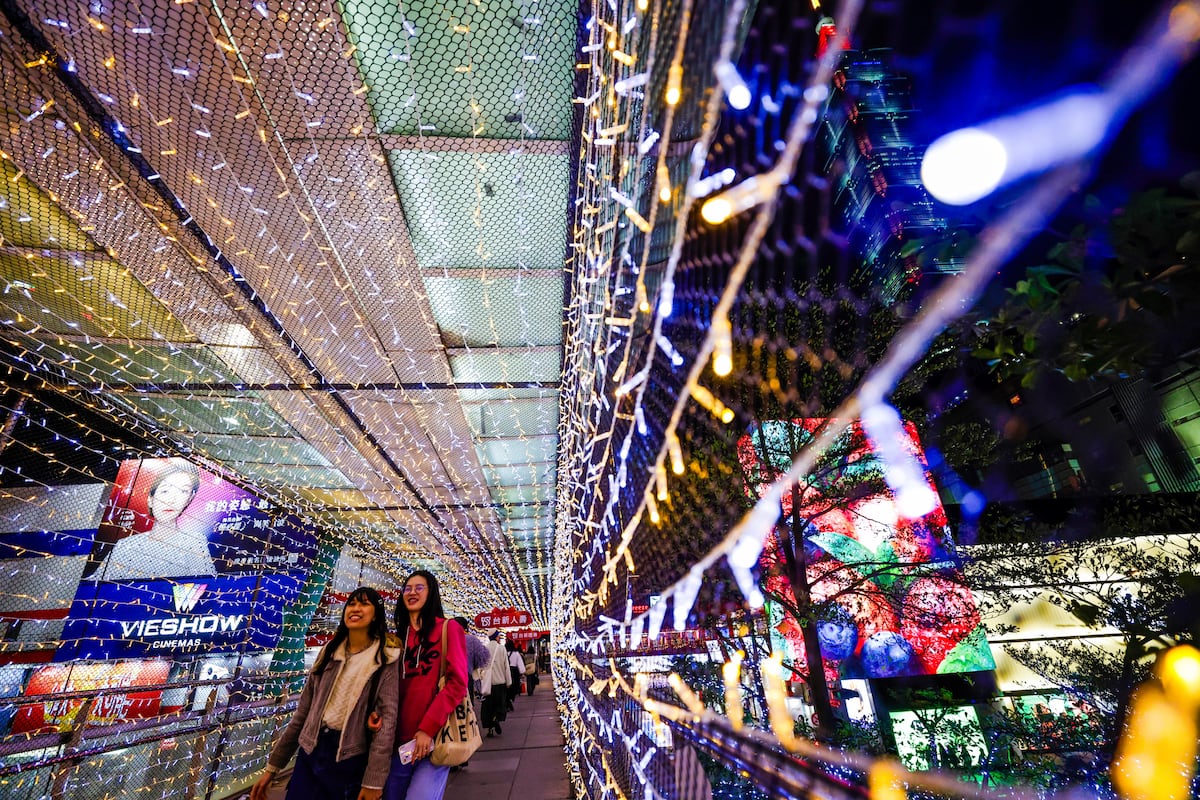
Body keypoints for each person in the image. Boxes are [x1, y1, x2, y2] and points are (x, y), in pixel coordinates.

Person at [250, 587, 399, 800]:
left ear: (376, 614)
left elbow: (387, 725)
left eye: (364, 604)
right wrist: (273, 767)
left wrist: (373, 782)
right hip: (310, 752)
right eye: (352, 604)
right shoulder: (329, 651)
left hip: (349, 756)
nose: (355, 609)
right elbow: (302, 715)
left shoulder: (385, 658)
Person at [383, 570, 467, 800]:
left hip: (435, 739)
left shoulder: (448, 629)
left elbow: (457, 683)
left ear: (431, 593)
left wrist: (427, 729)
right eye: (407, 588)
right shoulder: (395, 638)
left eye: (419, 587)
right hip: (397, 743)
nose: (411, 592)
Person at [98, 463, 214, 579]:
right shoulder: (125, 545)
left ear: (189, 499)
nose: (171, 500)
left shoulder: (194, 541)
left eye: (183, 491)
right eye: (165, 491)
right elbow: (95, 583)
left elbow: (206, 584)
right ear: (150, 500)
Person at [480, 631, 509, 737]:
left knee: (488, 707)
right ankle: (496, 718)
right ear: (496, 637)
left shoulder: (484, 649)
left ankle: (490, 729)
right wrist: (508, 681)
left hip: (488, 684)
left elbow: (481, 667)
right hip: (500, 682)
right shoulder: (501, 648)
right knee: (499, 704)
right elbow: (506, 666)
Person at [505, 639, 524, 710]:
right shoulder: (516, 653)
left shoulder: (504, 653)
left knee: (507, 687)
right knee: (514, 687)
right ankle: (510, 699)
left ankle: (507, 701)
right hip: (515, 672)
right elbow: (520, 664)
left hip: (506, 671)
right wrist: (522, 672)